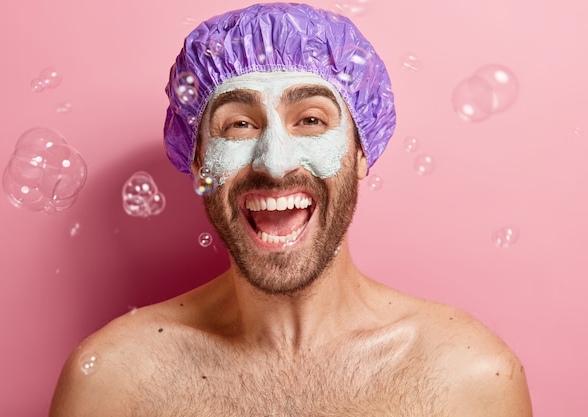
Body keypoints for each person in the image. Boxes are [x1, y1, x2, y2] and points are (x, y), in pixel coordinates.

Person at [49, 3, 532, 416]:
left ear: (361, 152)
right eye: (238, 124)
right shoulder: (111, 383)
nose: (275, 164)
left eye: (311, 120)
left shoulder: (470, 379)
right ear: (198, 165)